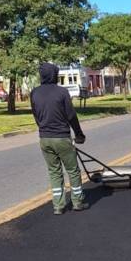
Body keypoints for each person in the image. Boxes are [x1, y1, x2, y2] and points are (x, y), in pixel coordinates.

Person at [31, 63, 88, 215]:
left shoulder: (34, 93)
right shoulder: (61, 92)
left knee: (54, 172)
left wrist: (44, 127)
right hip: (61, 137)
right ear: (54, 75)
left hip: (45, 138)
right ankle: (77, 201)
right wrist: (79, 134)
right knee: (73, 170)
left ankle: (58, 205)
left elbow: (36, 115)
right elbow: (70, 115)